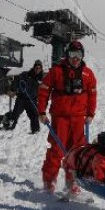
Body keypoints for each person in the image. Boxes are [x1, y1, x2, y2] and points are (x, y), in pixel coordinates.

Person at [37, 40, 97, 196]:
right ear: (67, 55)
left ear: (82, 56)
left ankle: (73, 184)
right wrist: (41, 112)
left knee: (77, 153)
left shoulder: (88, 74)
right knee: (56, 150)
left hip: (78, 119)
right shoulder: (56, 71)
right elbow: (44, 91)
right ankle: (49, 182)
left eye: (78, 55)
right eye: (72, 54)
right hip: (60, 118)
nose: (75, 58)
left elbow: (92, 95)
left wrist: (90, 114)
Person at [7, 60, 44, 133]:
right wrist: (12, 89)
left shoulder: (41, 79)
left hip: (32, 100)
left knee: (34, 114)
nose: (38, 69)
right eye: (36, 67)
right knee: (15, 113)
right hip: (22, 98)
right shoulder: (26, 74)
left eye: (39, 68)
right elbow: (17, 79)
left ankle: (35, 131)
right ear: (34, 67)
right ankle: (9, 127)